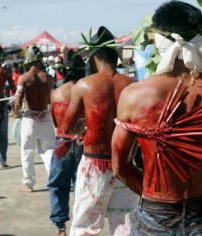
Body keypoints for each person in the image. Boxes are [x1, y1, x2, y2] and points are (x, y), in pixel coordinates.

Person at [111, 1, 202, 235]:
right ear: (199, 39)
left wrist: (154, 198)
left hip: (153, 212)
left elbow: (120, 167)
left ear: (159, 39)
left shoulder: (134, 95)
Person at [62, 26, 138, 236]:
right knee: (125, 221)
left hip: (96, 163)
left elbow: (66, 127)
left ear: (94, 55)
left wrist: (84, 125)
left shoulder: (85, 85)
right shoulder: (132, 84)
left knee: (86, 223)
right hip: (125, 162)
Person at [47, 49, 85, 236]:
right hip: (84, 143)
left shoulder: (56, 93)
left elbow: (56, 123)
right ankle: (79, 225)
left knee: (57, 185)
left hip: (62, 141)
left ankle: (60, 227)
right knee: (81, 186)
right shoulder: (88, 90)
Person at [14, 45, 55, 193]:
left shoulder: (24, 78)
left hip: (30, 118)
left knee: (27, 151)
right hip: (45, 116)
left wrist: (15, 112)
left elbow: (18, 102)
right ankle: (53, 179)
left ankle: (29, 184)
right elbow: (51, 100)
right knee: (49, 150)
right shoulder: (48, 78)